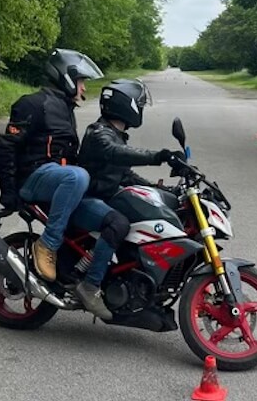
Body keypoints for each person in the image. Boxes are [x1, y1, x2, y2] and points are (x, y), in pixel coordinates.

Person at [71, 78, 182, 320]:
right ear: (126, 105)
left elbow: (125, 175)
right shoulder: (99, 133)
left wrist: (163, 190)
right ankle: (90, 286)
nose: (141, 109)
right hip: (86, 200)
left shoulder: (115, 134)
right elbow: (114, 153)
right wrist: (160, 156)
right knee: (119, 224)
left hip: (104, 198)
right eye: (138, 104)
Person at [0, 48, 104, 284]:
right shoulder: (33, 104)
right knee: (76, 177)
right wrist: (9, 191)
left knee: (110, 213)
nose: (84, 88)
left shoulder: (65, 109)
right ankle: (47, 244)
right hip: (35, 179)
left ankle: (84, 276)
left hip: (58, 180)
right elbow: (5, 146)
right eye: (81, 81)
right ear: (66, 77)